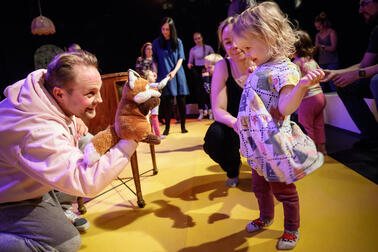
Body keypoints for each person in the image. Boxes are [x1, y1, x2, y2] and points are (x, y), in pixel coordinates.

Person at [0, 50, 138, 251]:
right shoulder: (36, 132)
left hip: (25, 180)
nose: (99, 99)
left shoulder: (42, 90)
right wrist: (130, 139)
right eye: (90, 93)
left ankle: (61, 209)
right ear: (59, 94)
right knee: (66, 244)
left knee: (86, 143)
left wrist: (72, 120)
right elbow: (86, 180)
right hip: (8, 197)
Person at [232, 1, 325, 250]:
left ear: (269, 37)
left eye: (248, 47)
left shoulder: (285, 69)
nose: (244, 53)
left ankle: (292, 228)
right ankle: (266, 216)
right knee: (259, 186)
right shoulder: (263, 66)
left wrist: (302, 87)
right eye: (241, 48)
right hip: (256, 142)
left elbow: (285, 107)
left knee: (283, 191)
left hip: (273, 144)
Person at [203, 17, 253, 188]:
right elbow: (218, 110)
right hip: (234, 124)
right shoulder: (222, 66)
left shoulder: (261, 60)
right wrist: (236, 123)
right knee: (214, 138)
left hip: (261, 123)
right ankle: (233, 167)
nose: (234, 46)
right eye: (228, 42)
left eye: (238, 39)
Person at [322, 0, 378, 149]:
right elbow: (364, 64)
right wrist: (336, 72)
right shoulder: (376, 31)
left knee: (376, 81)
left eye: (364, 4)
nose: (360, 10)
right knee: (345, 86)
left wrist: (358, 74)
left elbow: (362, 70)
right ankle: (372, 137)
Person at [152, 17, 189, 136]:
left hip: (177, 73)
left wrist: (174, 72)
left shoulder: (178, 42)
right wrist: (154, 72)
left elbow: (181, 58)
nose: (165, 32)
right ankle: (167, 127)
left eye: (167, 29)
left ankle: (183, 125)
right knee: (166, 102)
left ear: (171, 30)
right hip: (163, 74)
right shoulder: (157, 43)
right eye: (163, 29)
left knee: (181, 100)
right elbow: (155, 60)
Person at [293, 30, 327, 155]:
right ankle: (322, 149)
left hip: (308, 100)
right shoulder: (311, 60)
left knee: (306, 126)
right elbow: (321, 73)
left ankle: (310, 153)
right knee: (319, 124)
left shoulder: (297, 63)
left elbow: (295, 81)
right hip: (320, 96)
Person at [187, 32, 215, 120]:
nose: (197, 40)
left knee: (208, 90)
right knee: (199, 92)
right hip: (197, 71)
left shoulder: (208, 48)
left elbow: (214, 58)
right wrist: (189, 65)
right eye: (195, 39)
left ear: (202, 38)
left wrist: (211, 66)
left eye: (199, 38)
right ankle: (201, 111)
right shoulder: (193, 50)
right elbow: (190, 62)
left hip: (206, 70)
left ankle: (210, 111)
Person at [314, 11, 339, 92]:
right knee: (321, 85)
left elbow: (333, 48)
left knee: (333, 84)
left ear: (324, 24)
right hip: (322, 62)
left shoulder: (331, 32)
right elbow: (316, 48)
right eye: (316, 27)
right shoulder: (318, 35)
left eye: (319, 27)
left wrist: (322, 46)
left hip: (332, 61)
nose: (318, 29)